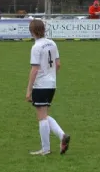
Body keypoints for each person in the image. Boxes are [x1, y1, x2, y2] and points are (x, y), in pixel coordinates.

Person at [26, 19, 70, 155]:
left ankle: (45, 149)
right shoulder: (52, 43)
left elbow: (34, 69)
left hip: (40, 85)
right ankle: (62, 136)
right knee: (44, 114)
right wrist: (51, 76)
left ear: (32, 31)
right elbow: (58, 65)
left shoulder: (36, 47)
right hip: (51, 84)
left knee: (41, 116)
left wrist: (29, 89)